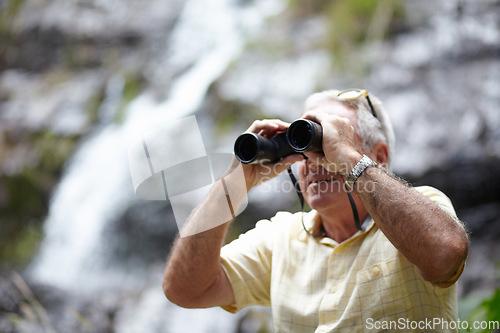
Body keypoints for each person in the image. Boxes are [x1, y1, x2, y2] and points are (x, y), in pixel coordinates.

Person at [162, 89, 469, 332]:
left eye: (325, 144)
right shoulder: (281, 238)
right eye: (303, 147)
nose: (312, 161)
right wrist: (233, 183)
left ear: (380, 156)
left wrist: (348, 160)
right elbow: (185, 289)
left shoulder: (422, 208)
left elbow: (445, 256)